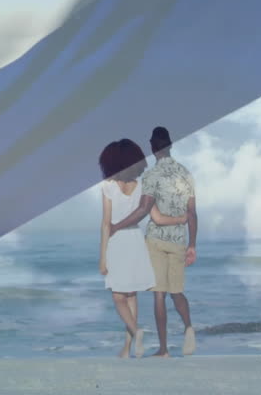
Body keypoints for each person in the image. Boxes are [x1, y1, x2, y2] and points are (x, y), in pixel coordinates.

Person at [108, 126, 197, 357]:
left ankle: (164, 349)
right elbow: (192, 213)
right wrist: (192, 244)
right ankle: (189, 327)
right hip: (179, 238)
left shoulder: (151, 176)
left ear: (153, 148)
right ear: (170, 145)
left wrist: (117, 225)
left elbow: (144, 209)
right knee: (177, 292)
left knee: (159, 294)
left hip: (156, 239)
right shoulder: (186, 173)